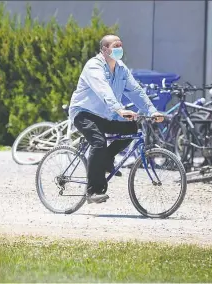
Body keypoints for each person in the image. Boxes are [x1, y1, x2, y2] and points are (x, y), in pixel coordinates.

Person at [69, 34, 164, 204]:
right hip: (84, 113)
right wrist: (119, 109)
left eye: (121, 45)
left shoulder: (121, 68)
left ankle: (106, 160)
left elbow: (136, 91)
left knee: (131, 128)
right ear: (105, 49)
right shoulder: (94, 66)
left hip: (107, 115)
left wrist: (152, 111)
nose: (120, 48)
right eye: (115, 45)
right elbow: (103, 90)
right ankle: (92, 191)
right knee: (98, 142)